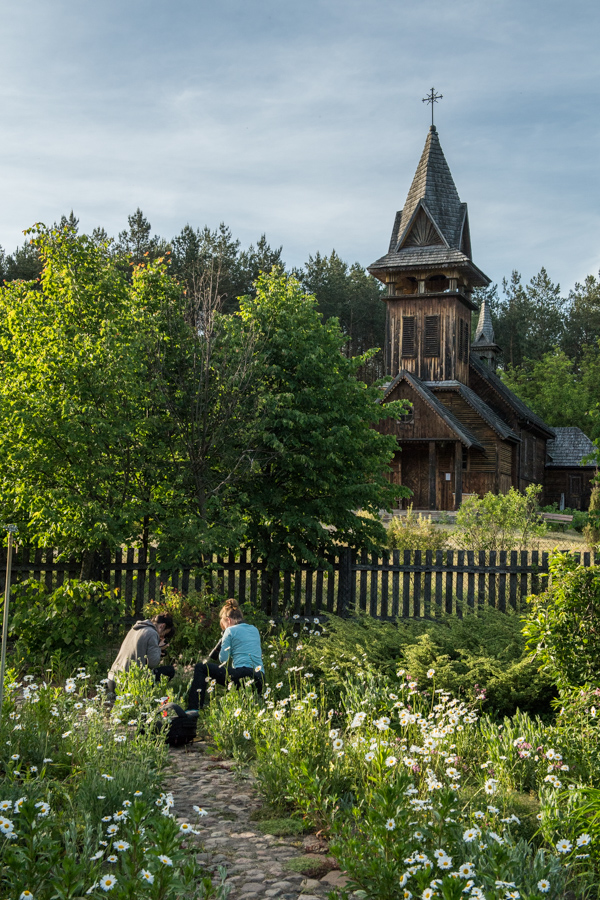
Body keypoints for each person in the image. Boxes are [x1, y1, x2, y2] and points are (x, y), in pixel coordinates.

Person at [186, 599, 264, 712]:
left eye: (224, 625)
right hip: (259, 676)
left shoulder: (230, 631)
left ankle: (193, 709)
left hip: (242, 675)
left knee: (201, 668)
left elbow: (223, 659)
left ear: (228, 620)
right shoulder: (254, 629)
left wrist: (225, 639)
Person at [107, 613, 176, 695]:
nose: (162, 638)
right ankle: (152, 695)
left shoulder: (135, 628)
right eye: (164, 634)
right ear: (162, 626)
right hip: (127, 684)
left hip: (112, 680)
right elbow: (152, 663)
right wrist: (159, 648)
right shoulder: (152, 633)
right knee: (170, 670)